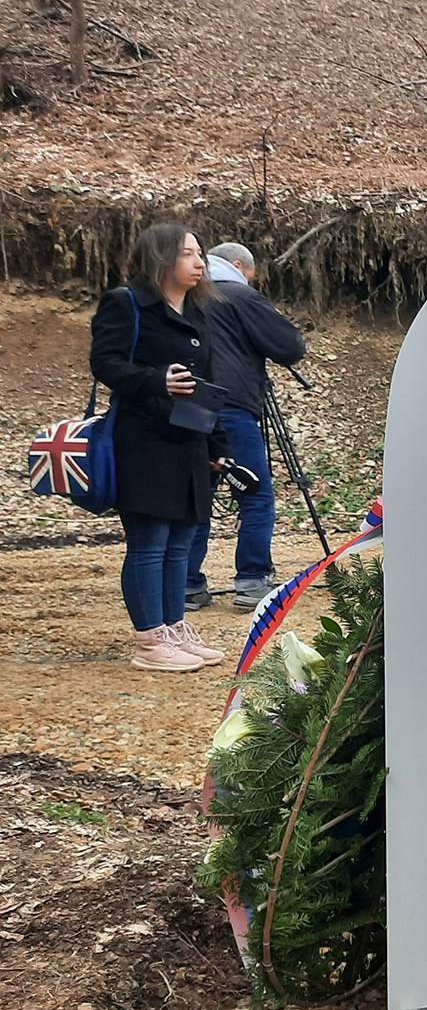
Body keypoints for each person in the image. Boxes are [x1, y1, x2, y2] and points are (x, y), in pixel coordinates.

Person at [90, 224, 229, 673]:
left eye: (201, 253)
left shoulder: (198, 312)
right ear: (161, 257)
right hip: (144, 439)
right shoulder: (127, 302)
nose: (200, 262)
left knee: (181, 542)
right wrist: (156, 380)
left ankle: (174, 627)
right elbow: (105, 363)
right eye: (188, 253)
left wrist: (217, 442)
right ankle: (150, 641)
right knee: (150, 542)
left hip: (190, 440)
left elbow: (208, 384)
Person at [186, 243, 306, 611]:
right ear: (239, 266)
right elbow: (289, 346)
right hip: (234, 406)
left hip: (188, 408)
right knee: (255, 494)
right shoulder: (239, 294)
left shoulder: (186, 296)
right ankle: (253, 581)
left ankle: (186, 584)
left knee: (195, 495)